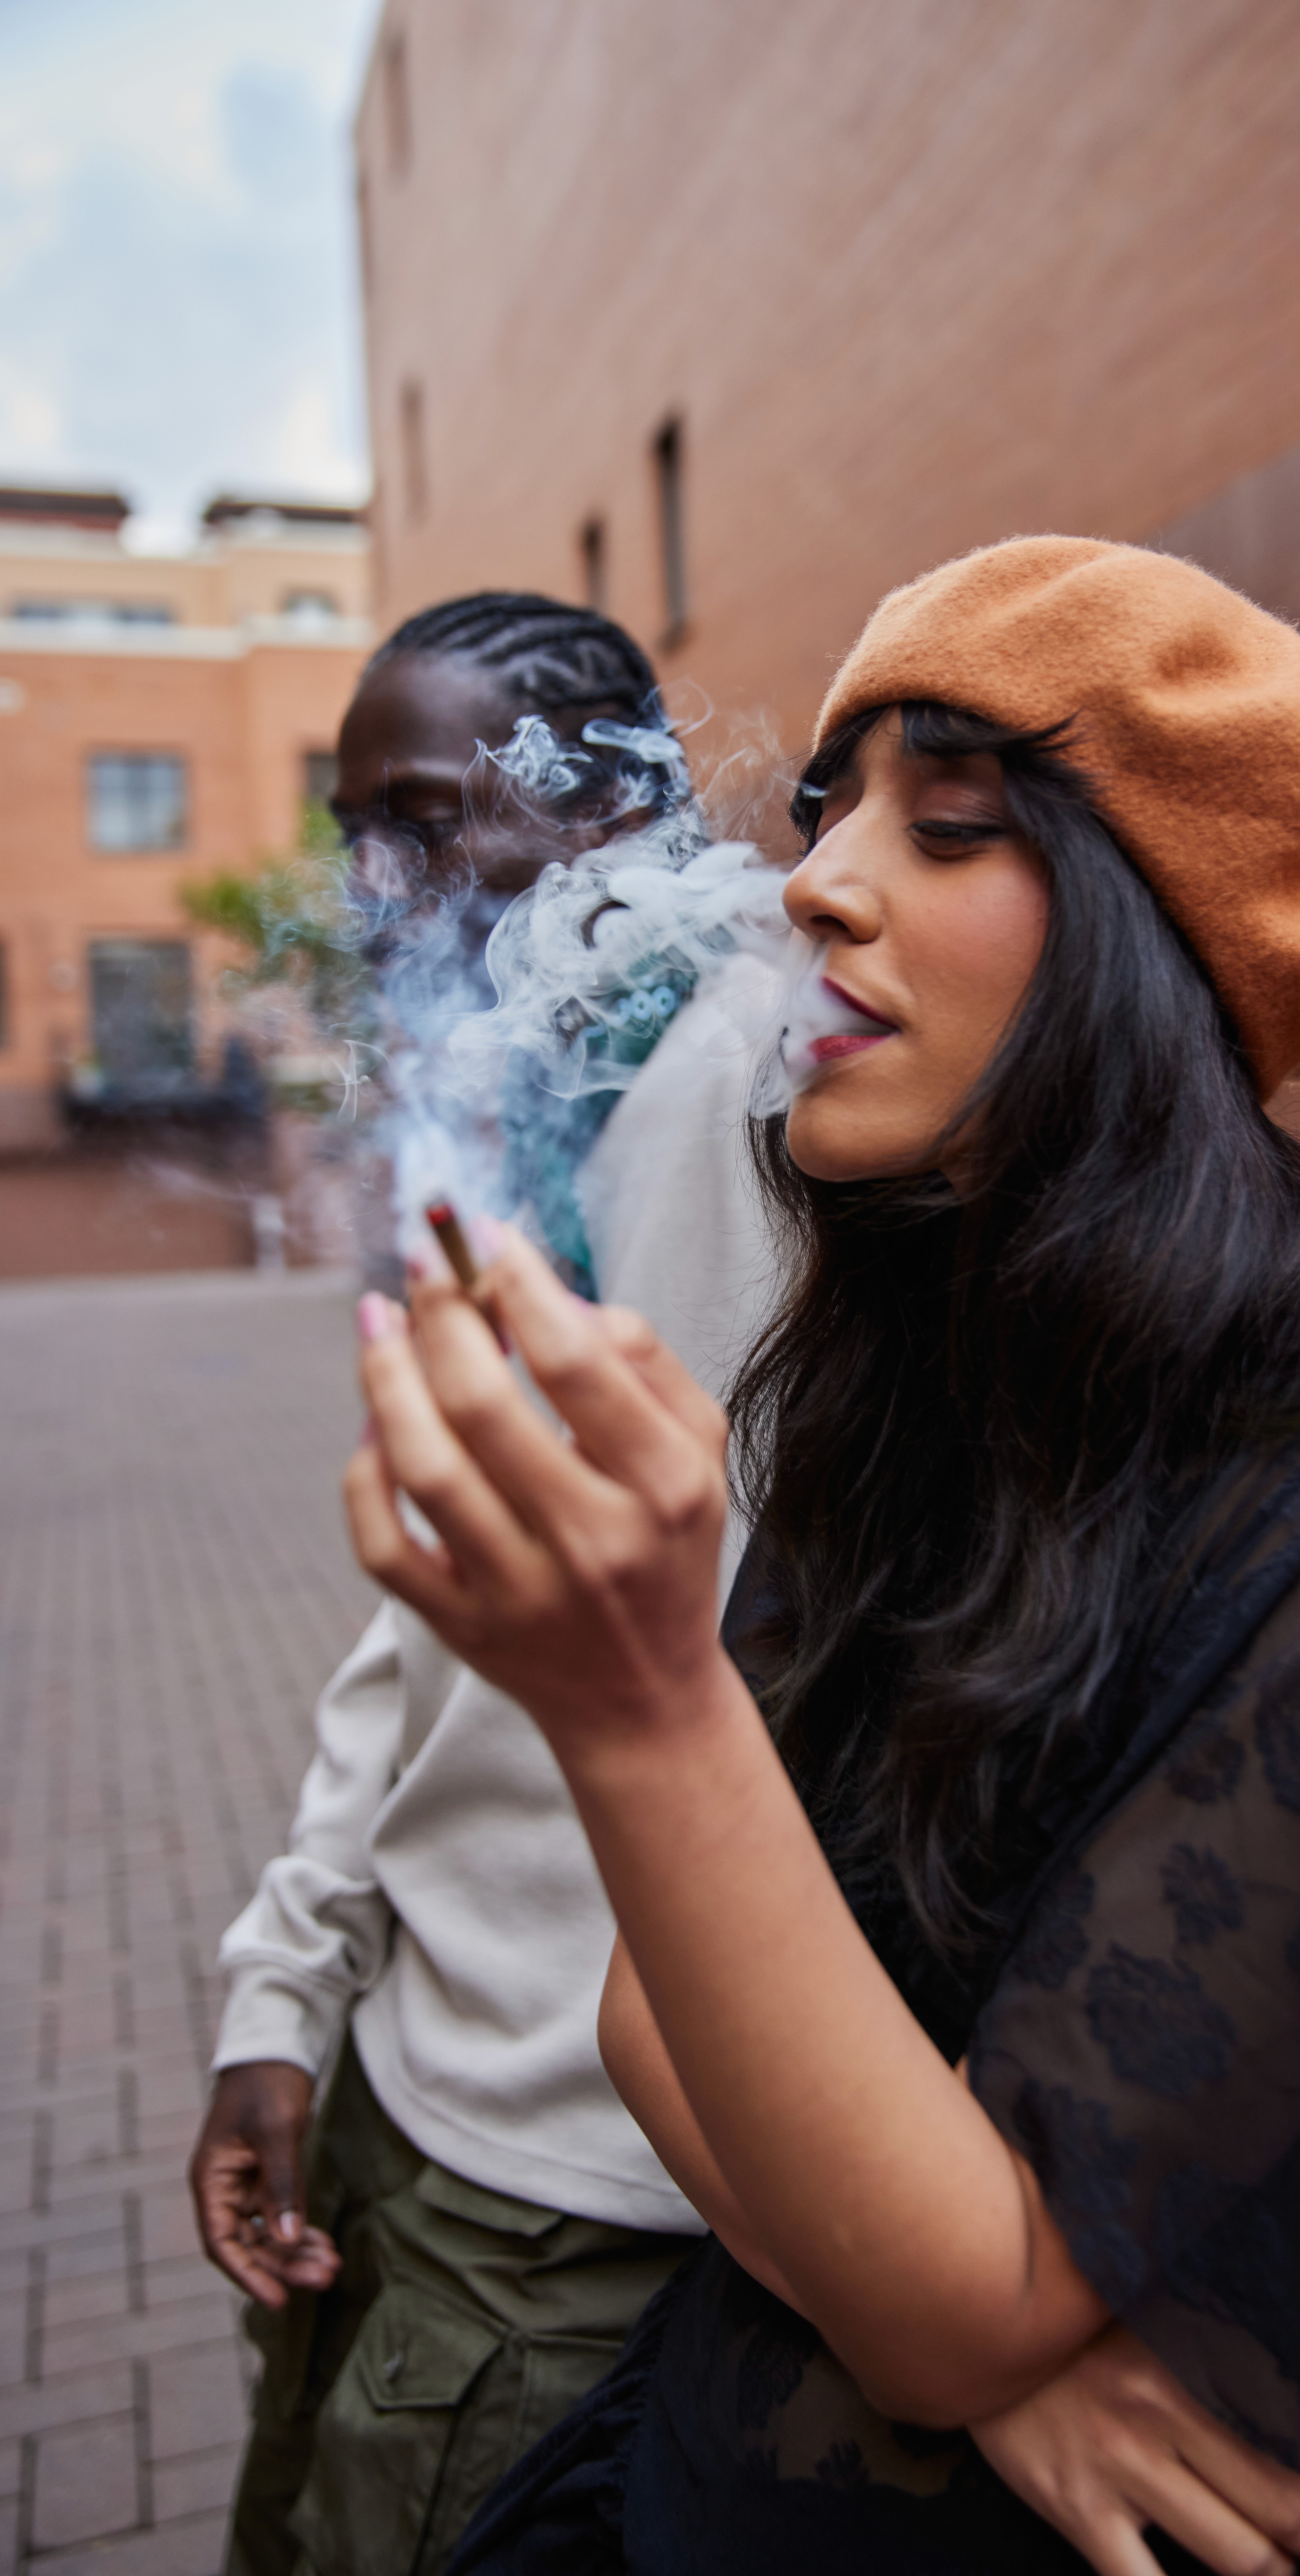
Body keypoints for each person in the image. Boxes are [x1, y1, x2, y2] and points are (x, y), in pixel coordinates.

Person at [340, 539, 1300, 2576]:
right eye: (829, 812)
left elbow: (946, 2266)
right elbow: (656, 2022)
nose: (812, 881)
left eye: (954, 822)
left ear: (1155, 954)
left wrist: (639, 1701)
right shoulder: (921, 1372)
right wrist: (982, 2353)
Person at [188, 595, 784, 2576]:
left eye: (424, 820)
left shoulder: (751, 1087)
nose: (373, 895)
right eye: (351, 832)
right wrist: (288, 1988)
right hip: (413, 2080)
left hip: (569, 2177)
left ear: (606, 801)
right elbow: (434, 1608)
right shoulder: (537, 1099)